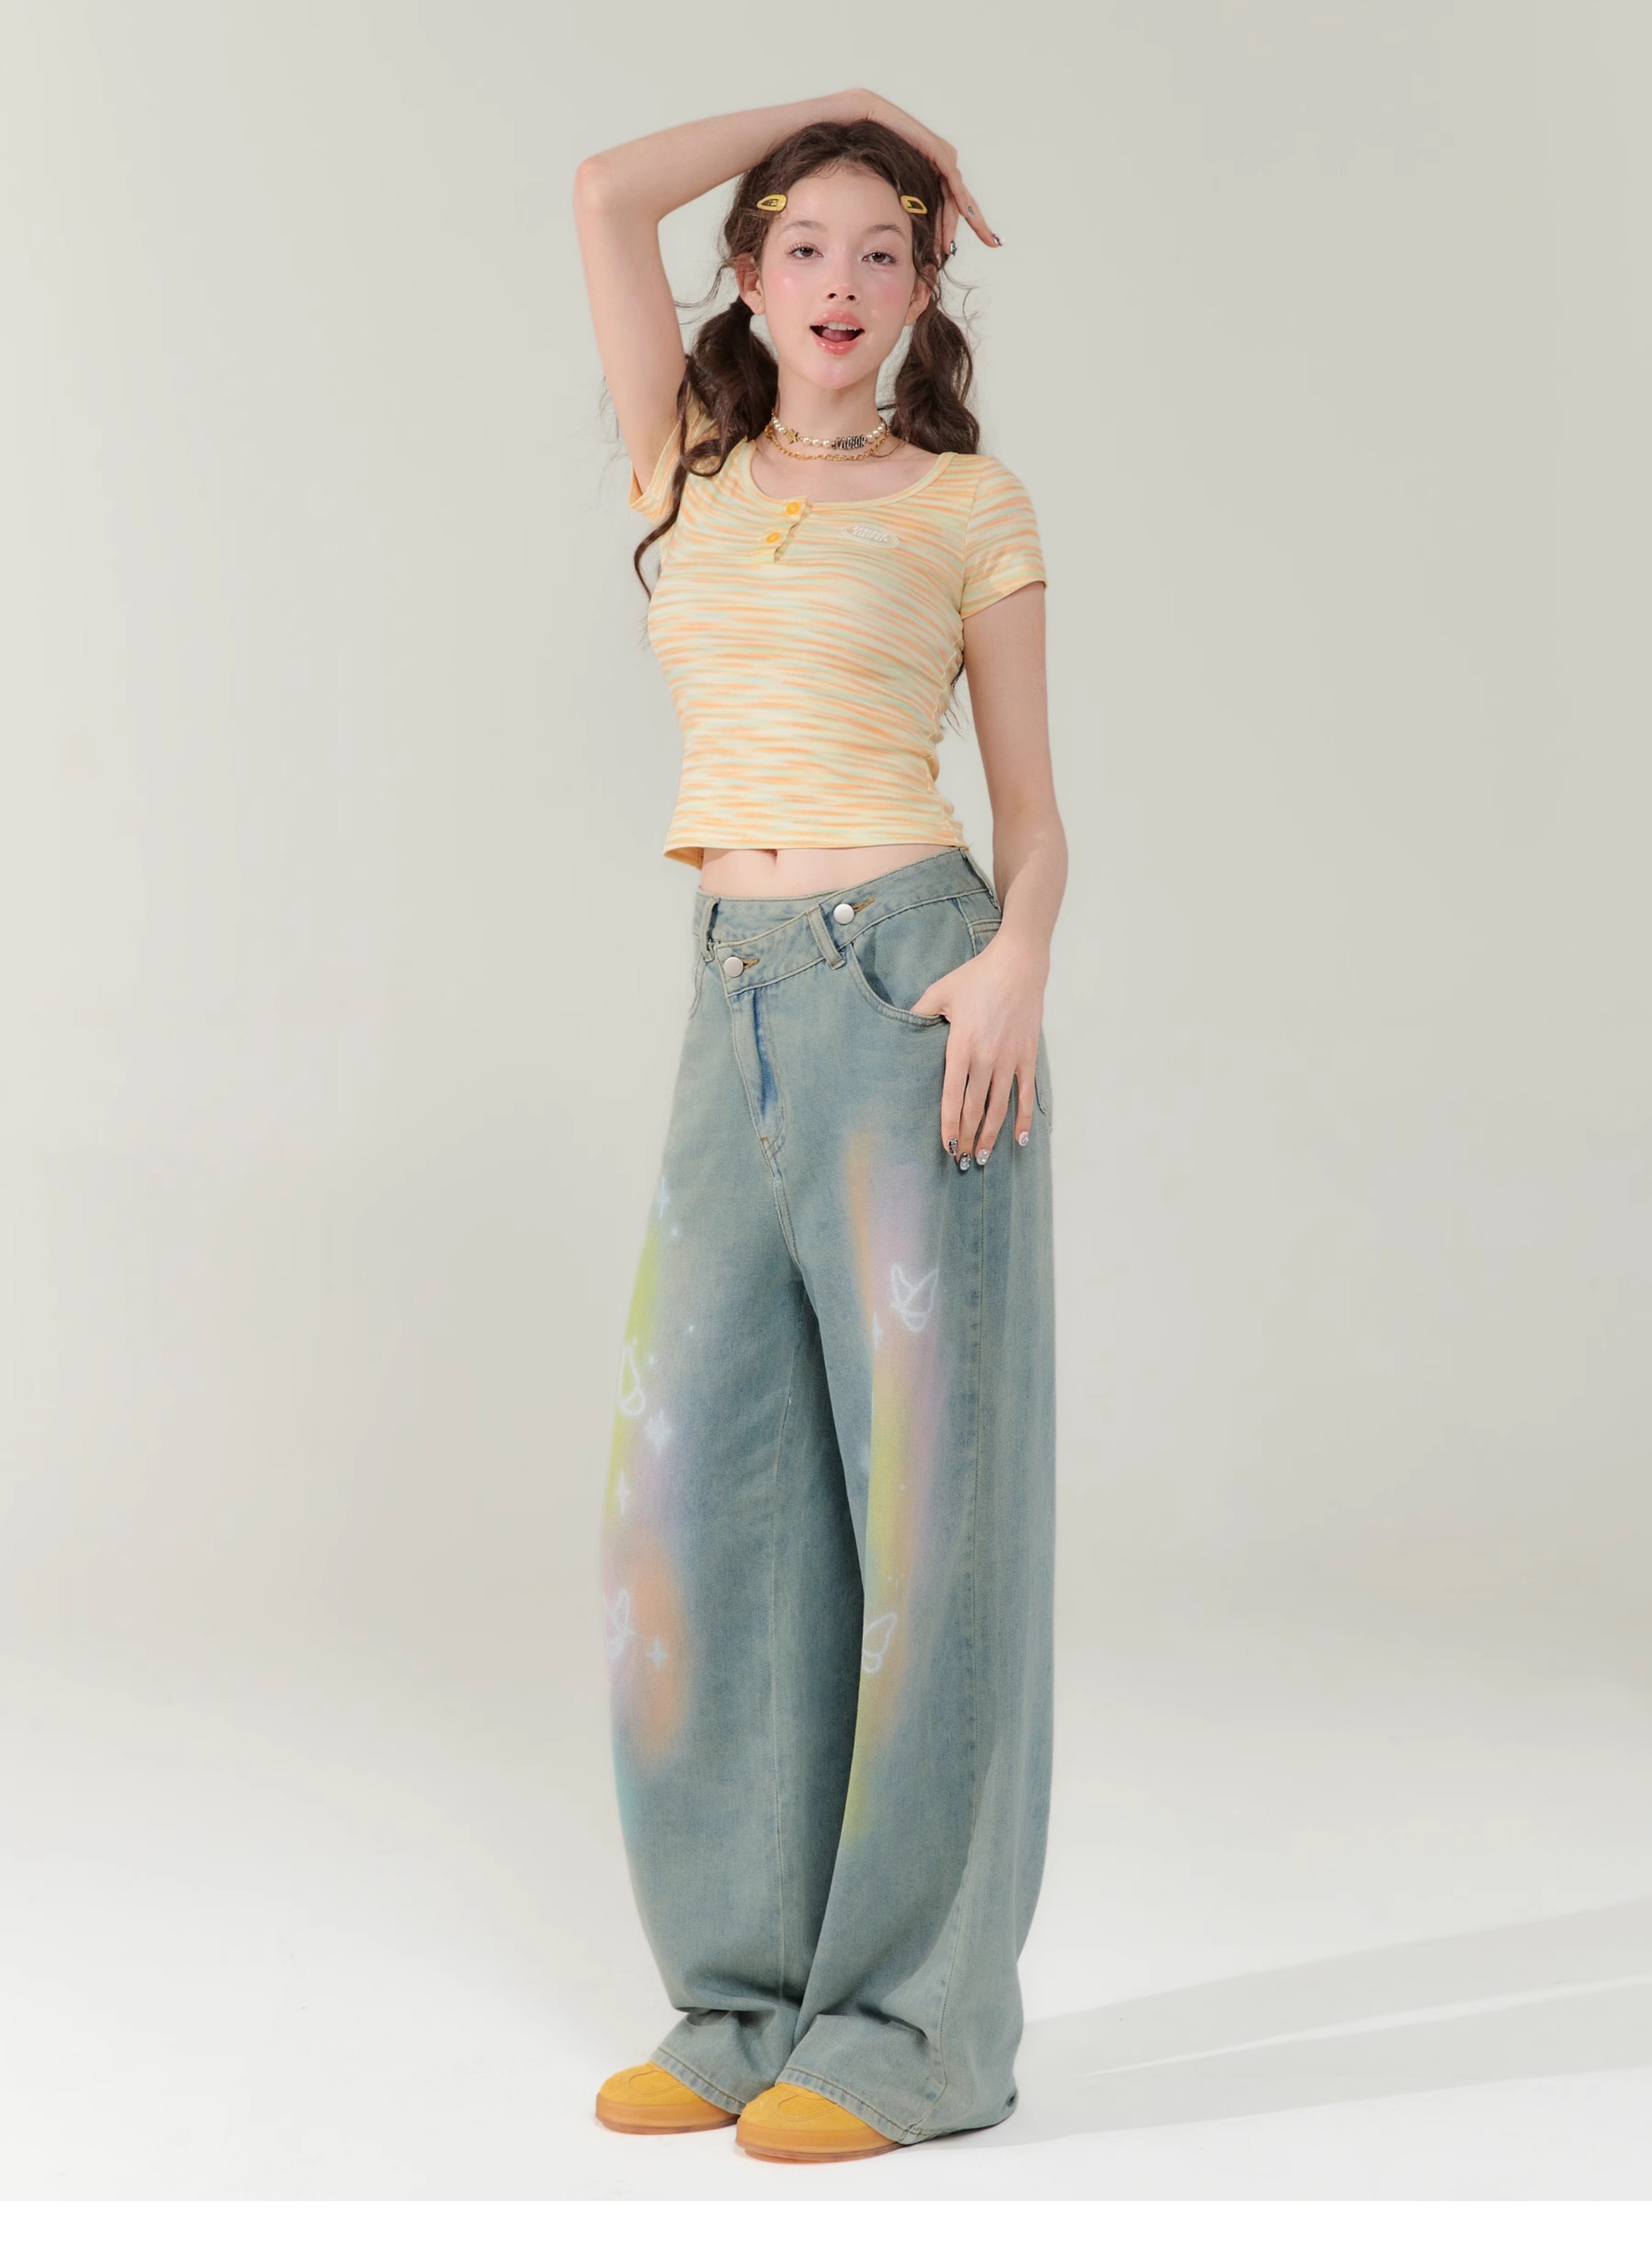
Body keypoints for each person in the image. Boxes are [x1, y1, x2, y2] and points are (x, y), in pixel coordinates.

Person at [572, 87, 1066, 2164]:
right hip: (736, 998)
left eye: (885, 250)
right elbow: (603, 191)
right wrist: (858, 117)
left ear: (926, 285)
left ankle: (916, 2024)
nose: (845, 284)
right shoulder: (683, 464)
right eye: (807, 246)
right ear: (753, 276)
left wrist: (1018, 962)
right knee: (699, 1500)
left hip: (914, 994)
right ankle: (744, 1991)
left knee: (930, 1519)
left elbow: (1035, 813)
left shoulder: (967, 504)